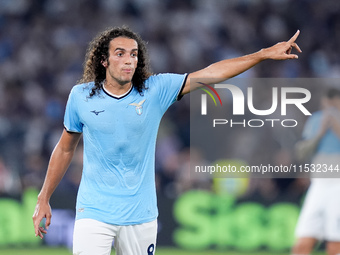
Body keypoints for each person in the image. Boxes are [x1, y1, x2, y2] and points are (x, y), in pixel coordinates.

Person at [32, 26, 301, 255]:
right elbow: (65, 148)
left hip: (141, 214)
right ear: (103, 60)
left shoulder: (155, 90)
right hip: (93, 210)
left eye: (134, 54)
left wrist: (262, 55)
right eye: (120, 53)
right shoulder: (81, 96)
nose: (129, 60)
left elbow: (211, 73)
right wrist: (44, 197)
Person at [292, 88, 340, 255]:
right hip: (319, 184)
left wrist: (335, 125)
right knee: (303, 240)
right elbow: (301, 151)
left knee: (335, 243)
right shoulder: (316, 120)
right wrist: (319, 133)